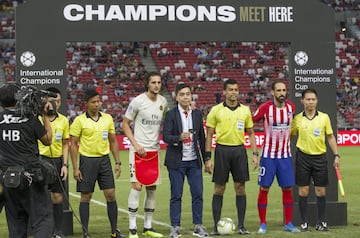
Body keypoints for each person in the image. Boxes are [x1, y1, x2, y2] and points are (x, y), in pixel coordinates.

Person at [205, 79, 258, 235]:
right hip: (222, 151)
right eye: (230, 90)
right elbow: (209, 135)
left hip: (239, 151)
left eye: (236, 89)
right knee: (219, 188)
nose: (233, 92)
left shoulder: (245, 110)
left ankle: (241, 225)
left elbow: (251, 133)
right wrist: (208, 158)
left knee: (240, 187)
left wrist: (255, 154)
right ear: (224, 92)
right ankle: (216, 226)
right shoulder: (216, 110)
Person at [0, 83, 54, 238]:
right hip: (31, 176)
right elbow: (48, 140)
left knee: (16, 223)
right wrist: (44, 115)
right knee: (43, 219)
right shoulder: (28, 117)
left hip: (8, 179)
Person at [70, 89, 125, 238]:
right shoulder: (79, 120)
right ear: (86, 104)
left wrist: (118, 162)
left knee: (111, 194)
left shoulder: (107, 118)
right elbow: (73, 145)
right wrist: (75, 168)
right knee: (86, 196)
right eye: (93, 102)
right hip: (87, 161)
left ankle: (114, 231)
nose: (97, 104)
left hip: (104, 160)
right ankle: (85, 233)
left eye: (98, 101)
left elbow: (113, 141)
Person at [122, 71, 168, 238]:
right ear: (147, 84)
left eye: (159, 82)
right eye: (153, 82)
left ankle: (148, 227)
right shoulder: (138, 101)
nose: (156, 85)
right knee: (137, 186)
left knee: (152, 187)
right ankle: (132, 228)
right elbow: (125, 124)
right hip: (138, 150)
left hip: (154, 151)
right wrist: (136, 144)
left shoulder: (163, 102)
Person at [252, 81, 300, 234]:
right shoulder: (266, 108)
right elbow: (250, 121)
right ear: (272, 92)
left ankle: (288, 223)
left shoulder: (291, 107)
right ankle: (263, 224)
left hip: (285, 156)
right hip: (268, 156)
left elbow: (291, 129)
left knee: (287, 188)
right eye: (278, 90)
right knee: (264, 188)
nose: (281, 93)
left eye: (284, 90)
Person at [163, 83, 210, 238]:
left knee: (198, 194)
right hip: (176, 161)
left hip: (194, 161)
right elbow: (166, 137)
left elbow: (202, 139)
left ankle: (198, 225)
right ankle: (175, 227)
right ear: (176, 97)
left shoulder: (197, 114)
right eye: (182, 94)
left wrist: (207, 159)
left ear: (191, 96)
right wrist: (178, 138)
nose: (185, 97)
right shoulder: (170, 114)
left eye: (188, 94)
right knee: (176, 195)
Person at [291, 88, 340, 232]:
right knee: (304, 191)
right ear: (302, 101)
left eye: (313, 99)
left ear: (317, 101)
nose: (311, 102)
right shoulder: (297, 119)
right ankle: (304, 222)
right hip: (303, 157)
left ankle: (321, 222)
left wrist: (336, 155)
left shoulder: (324, 117)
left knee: (320, 191)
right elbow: (290, 136)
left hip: (320, 158)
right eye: (308, 99)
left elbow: (330, 137)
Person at [38, 87, 69, 238]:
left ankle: (58, 231)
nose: (56, 104)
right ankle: (44, 231)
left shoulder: (64, 120)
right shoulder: (37, 119)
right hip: (40, 161)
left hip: (57, 162)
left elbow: (65, 144)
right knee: (42, 198)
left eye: (58, 101)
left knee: (57, 197)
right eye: (53, 101)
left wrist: (64, 165)